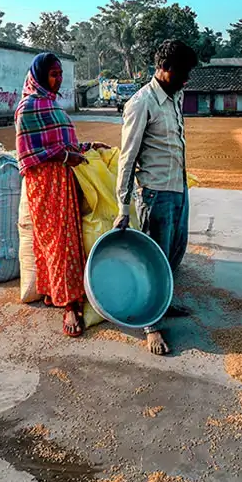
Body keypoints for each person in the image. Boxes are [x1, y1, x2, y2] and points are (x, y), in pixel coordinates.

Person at [114, 39, 199, 356]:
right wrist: (123, 206)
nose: (186, 79)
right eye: (183, 72)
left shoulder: (175, 97)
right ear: (165, 68)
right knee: (155, 259)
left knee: (175, 252)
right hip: (154, 194)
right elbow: (127, 157)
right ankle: (151, 325)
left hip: (178, 188)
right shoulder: (141, 103)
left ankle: (164, 303)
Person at [15, 52, 106, 337]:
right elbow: (29, 152)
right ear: (40, 76)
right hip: (45, 184)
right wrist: (66, 157)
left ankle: (56, 291)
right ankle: (69, 304)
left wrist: (88, 146)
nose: (58, 79)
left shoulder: (52, 104)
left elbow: (65, 142)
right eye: (54, 74)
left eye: (60, 74)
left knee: (67, 238)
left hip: (64, 179)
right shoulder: (28, 107)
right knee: (58, 240)